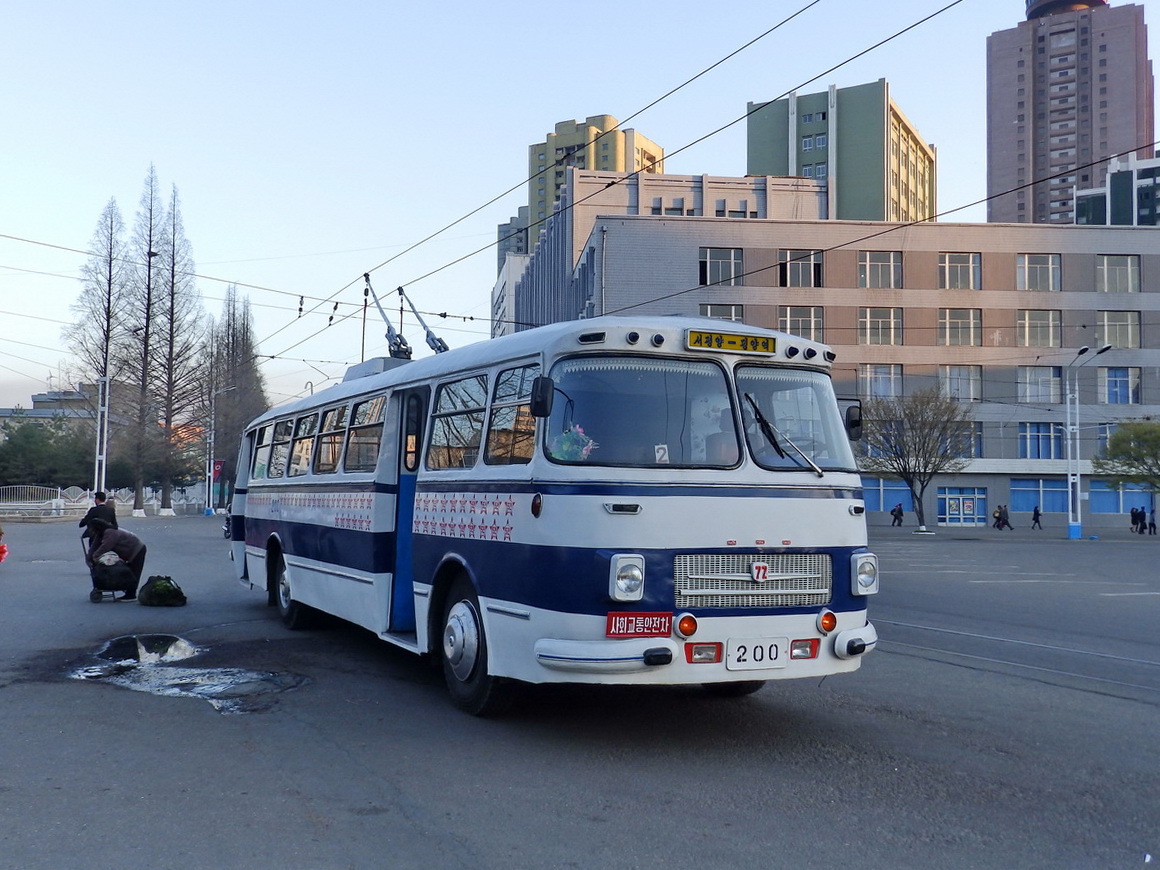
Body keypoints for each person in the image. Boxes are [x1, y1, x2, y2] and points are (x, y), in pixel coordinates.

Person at [85, 518, 146, 600]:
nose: (91, 531)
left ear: (97, 527)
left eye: (92, 529)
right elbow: (94, 546)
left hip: (137, 549)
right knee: (129, 570)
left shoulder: (110, 532)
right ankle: (128, 590)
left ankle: (131, 595)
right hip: (128, 550)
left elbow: (106, 546)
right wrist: (89, 559)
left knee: (134, 572)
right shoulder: (100, 533)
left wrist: (95, 556)